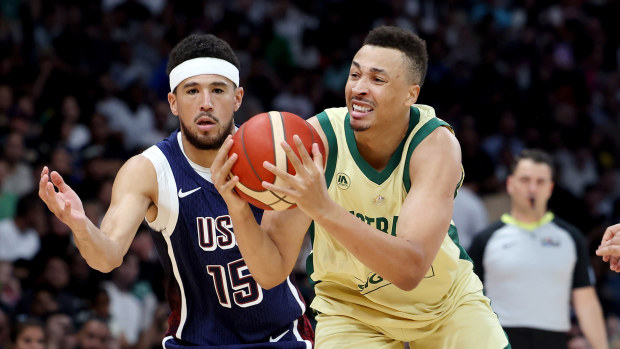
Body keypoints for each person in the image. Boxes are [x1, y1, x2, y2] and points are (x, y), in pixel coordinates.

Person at [212, 25, 508, 348]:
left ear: (412, 94)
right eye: (355, 75)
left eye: (377, 79)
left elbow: (410, 269)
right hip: (351, 310)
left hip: (445, 306)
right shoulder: (315, 142)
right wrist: (238, 208)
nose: (359, 88)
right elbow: (271, 272)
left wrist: (323, 209)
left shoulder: (435, 146)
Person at [38, 33, 313, 348]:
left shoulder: (274, 156)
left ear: (237, 98)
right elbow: (107, 257)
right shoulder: (149, 171)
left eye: (218, 90)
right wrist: (80, 224)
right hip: (195, 341)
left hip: (281, 337)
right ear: (173, 102)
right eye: (192, 91)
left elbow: (274, 271)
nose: (205, 103)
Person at [468, 149, 608, 349]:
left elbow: (586, 302)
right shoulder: (486, 240)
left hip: (553, 339)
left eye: (540, 182)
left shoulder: (571, 238)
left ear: (550, 188)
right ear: (510, 184)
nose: (532, 188)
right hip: (499, 340)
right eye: (525, 180)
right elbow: (469, 302)